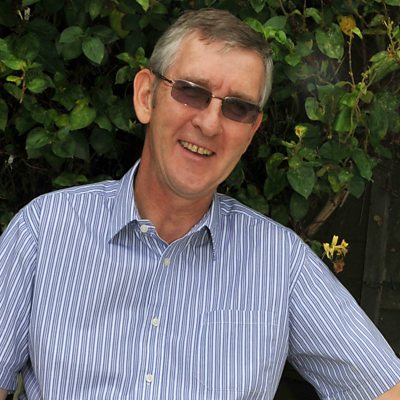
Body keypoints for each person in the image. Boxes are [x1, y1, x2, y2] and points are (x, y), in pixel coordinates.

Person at [1, 8, 400, 400]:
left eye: (238, 108)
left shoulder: (280, 263)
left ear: (251, 131)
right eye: (191, 92)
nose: (209, 124)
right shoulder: (44, 231)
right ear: (146, 96)